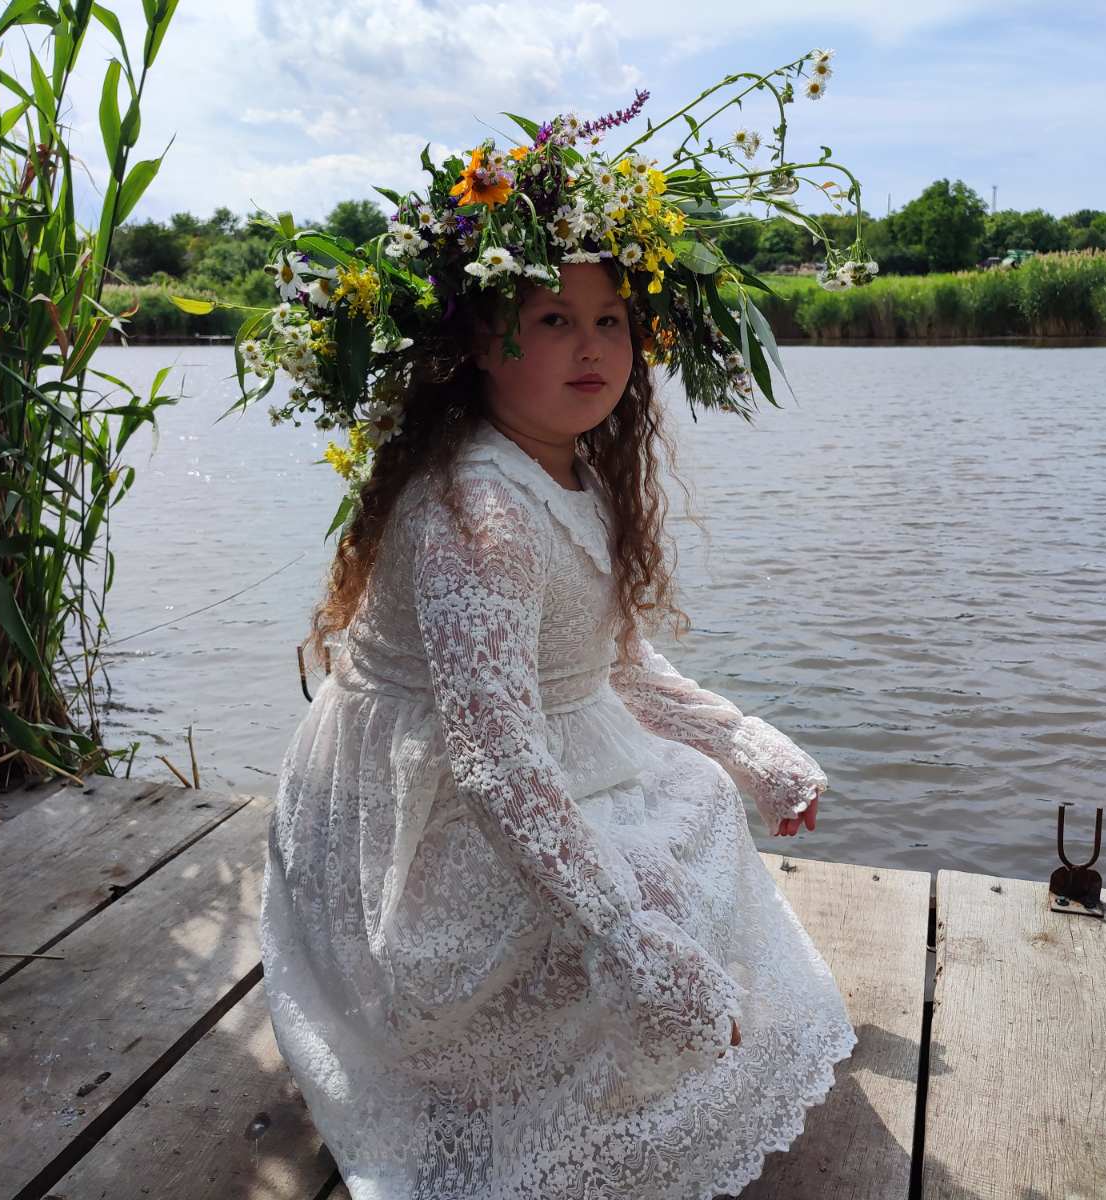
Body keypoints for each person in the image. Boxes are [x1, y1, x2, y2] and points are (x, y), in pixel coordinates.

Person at [241, 52, 880, 1199]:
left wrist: (742, 743)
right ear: (478, 346)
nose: (593, 346)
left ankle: (649, 1018)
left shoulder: (568, 473)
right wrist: (630, 941)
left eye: (611, 320)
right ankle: (530, 1077)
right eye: (553, 319)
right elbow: (493, 758)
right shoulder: (475, 513)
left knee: (693, 801)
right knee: (638, 896)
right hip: (427, 805)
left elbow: (608, 662)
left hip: (530, 750)